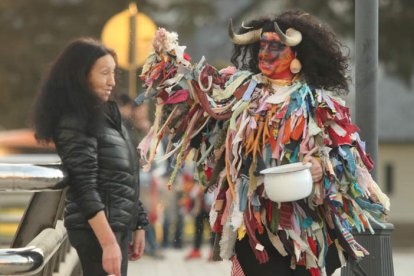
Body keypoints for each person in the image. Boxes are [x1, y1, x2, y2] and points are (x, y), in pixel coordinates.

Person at [138, 9, 390, 276]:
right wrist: (171, 55)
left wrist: (320, 166)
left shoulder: (318, 102)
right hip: (255, 219)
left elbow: (347, 158)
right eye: (263, 45)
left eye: (276, 46)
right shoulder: (242, 89)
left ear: (297, 57)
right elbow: (202, 86)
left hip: (304, 220)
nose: (265, 52)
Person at [32, 37, 148, 276]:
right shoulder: (74, 120)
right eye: (104, 73)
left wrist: (138, 222)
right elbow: (84, 184)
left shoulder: (106, 116)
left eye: (114, 73)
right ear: (80, 76)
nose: (112, 82)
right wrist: (107, 243)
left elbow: (125, 173)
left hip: (116, 226)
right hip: (98, 232)